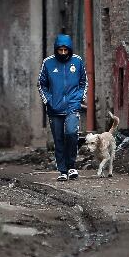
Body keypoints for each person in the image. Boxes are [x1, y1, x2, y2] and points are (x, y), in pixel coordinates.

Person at [38, 33, 87, 181]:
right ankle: (62, 171)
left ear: (70, 49)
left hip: (73, 106)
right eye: (60, 50)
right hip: (54, 108)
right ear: (56, 49)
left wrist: (79, 99)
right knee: (58, 139)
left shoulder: (77, 62)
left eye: (66, 50)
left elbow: (84, 82)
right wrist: (48, 101)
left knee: (72, 133)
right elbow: (41, 84)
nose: (63, 53)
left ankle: (71, 166)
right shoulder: (48, 63)